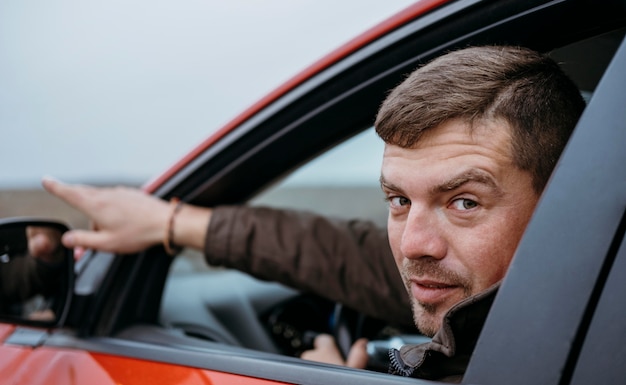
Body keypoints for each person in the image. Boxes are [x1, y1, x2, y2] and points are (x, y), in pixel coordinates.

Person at [41, 45, 585, 382]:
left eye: (463, 203)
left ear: (562, 202)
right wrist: (170, 225)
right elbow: (345, 255)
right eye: (398, 200)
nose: (413, 244)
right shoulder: (528, 297)